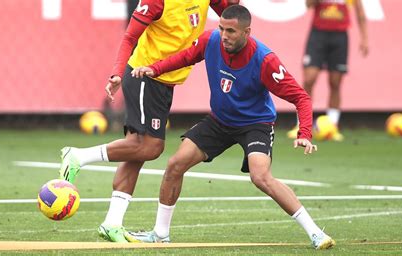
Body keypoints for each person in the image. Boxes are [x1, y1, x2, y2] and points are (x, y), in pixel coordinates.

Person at [127, 5, 336, 249]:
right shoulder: (211, 40)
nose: (224, 35)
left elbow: (301, 97)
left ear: (247, 32)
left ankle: (315, 233)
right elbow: (184, 57)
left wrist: (305, 134)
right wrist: (155, 68)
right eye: (221, 28)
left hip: (254, 124)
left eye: (231, 31)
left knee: (260, 177)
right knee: (175, 165)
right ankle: (160, 233)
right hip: (219, 121)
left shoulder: (265, 60)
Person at [58, 0, 240, 243]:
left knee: (137, 150)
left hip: (165, 80)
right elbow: (130, 37)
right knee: (150, 147)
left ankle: (112, 223)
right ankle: (78, 156)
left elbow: (230, 14)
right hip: (144, 76)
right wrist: (116, 72)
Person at [287, 0, 369, 141]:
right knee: (309, 79)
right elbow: (308, 5)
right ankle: (301, 125)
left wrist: (365, 38)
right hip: (318, 35)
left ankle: (332, 125)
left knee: (335, 82)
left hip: (340, 37)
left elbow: (360, 12)